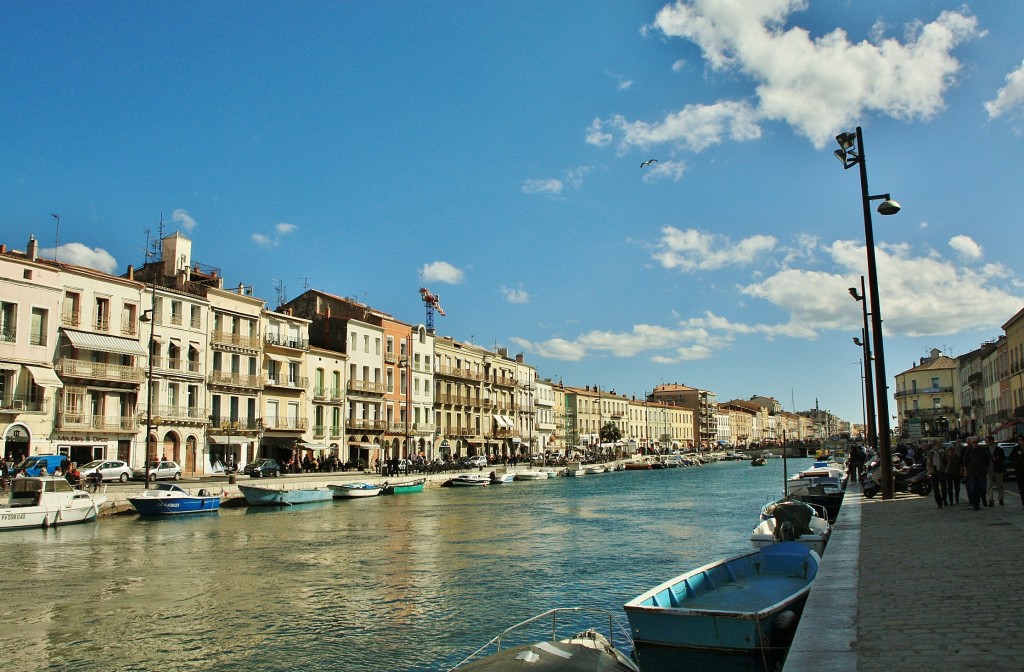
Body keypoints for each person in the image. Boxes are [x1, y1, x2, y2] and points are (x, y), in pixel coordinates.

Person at [962, 436, 990, 511]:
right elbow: (965, 463)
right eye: (973, 442)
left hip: (981, 472)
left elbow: (987, 460)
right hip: (971, 472)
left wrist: (986, 469)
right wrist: (965, 474)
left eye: (976, 442)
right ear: (970, 443)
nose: (975, 444)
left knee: (983, 487)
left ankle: (983, 497)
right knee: (973, 488)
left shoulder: (982, 450)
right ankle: (976, 504)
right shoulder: (968, 451)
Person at [925, 440, 947, 509]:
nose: (940, 445)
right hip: (934, 472)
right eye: (939, 444)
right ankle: (939, 503)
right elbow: (928, 462)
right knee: (936, 489)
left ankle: (944, 498)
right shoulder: (931, 453)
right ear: (935, 445)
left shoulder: (943, 452)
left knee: (944, 488)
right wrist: (929, 470)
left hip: (942, 471)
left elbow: (946, 461)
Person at [988, 436, 1006, 506]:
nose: (986, 443)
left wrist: (998, 459)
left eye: (987, 441)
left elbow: (1003, 458)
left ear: (992, 441)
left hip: (997, 469)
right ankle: (990, 500)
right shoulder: (986, 449)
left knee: (1000, 485)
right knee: (989, 485)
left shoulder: (999, 449)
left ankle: (1000, 499)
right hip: (989, 469)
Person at [1011, 437, 1024, 509]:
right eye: (1020, 440)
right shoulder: (1016, 448)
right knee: (1022, 487)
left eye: (1022, 440)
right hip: (1020, 470)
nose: (1021, 442)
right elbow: (1011, 457)